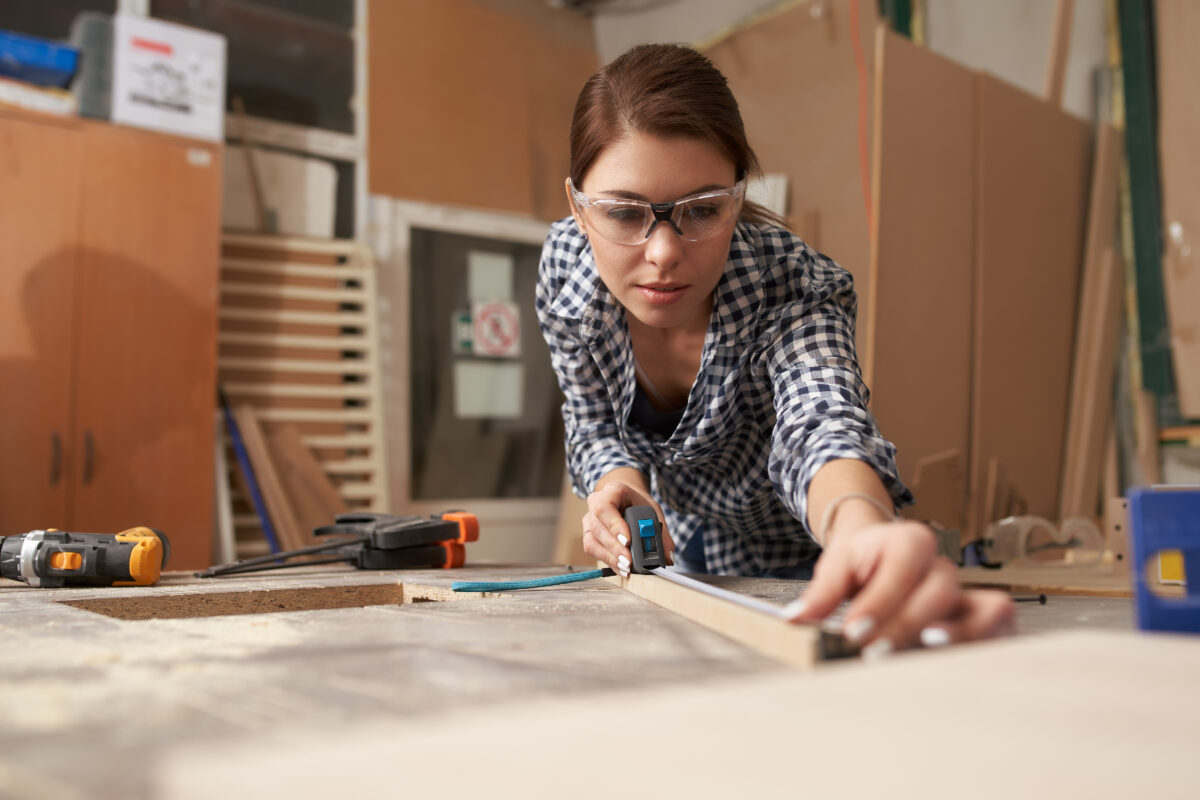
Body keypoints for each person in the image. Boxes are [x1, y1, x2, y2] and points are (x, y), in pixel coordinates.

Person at [535, 43, 1013, 657]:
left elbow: (820, 421)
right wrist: (618, 488)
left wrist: (861, 527)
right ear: (578, 206)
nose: (663, 253)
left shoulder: (793, 287)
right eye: (625, 215)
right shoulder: (565, 271)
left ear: (737, 196)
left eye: (702, 210)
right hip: (684, 543)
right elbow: (592, 420)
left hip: (816, 554)